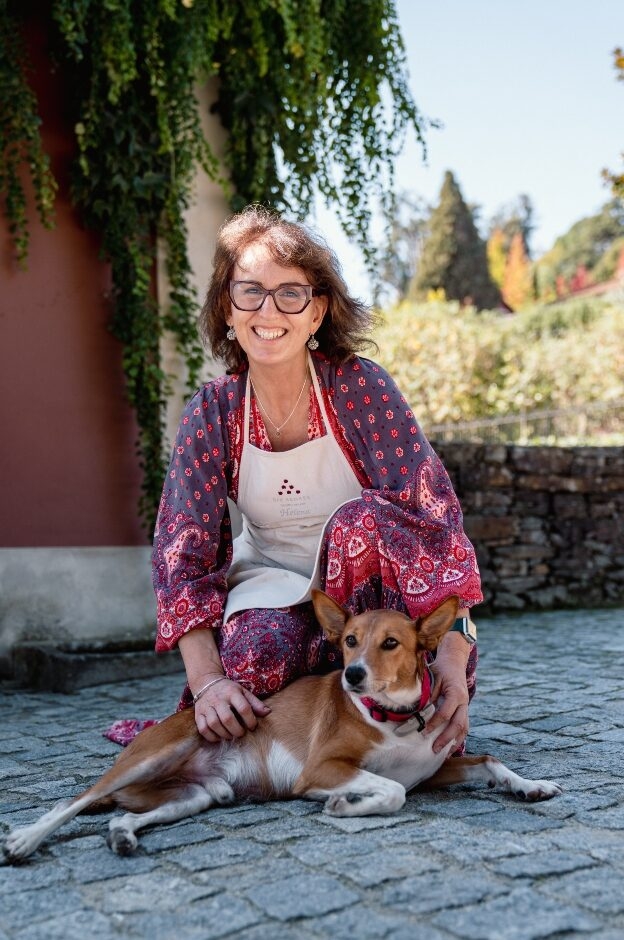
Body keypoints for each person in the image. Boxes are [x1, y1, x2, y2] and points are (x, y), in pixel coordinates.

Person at [151, 205, 483, 756]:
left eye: (291, 293)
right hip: (273, 581)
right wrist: (207, 682)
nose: (268, 309)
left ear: (317, 312)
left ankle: (385, 714)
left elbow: (433, 522)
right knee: (252, 660)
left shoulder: (358, 388)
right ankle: (311, 734)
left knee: (362, 521)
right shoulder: (213, 412)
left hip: (373, 603)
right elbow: (181, 555)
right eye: (250, 291)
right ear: (227, 308)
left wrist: (451, 654)